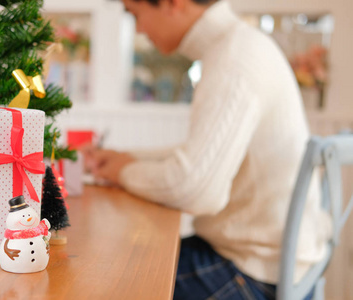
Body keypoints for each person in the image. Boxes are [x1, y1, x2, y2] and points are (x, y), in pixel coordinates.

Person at [82, 0, 330, 299]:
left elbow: (196, 189)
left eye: (136, 14)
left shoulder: (234, 58)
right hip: (275, 266)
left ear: (174, 4)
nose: (139, 28)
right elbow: (202, 155)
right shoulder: (239, 45)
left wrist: (123, 171)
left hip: (253, 275)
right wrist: (130, 159)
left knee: (110, 279)